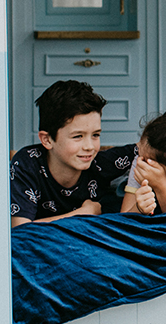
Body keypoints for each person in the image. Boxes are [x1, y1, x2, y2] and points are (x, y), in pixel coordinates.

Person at [10, 80, 135, 227]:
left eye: (95, 135)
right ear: (47, 140)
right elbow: (20, 229)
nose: (89, 147)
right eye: (77, 136)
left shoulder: (101, 163)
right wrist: (83, 213)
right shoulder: (27, 164)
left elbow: (149, 147)